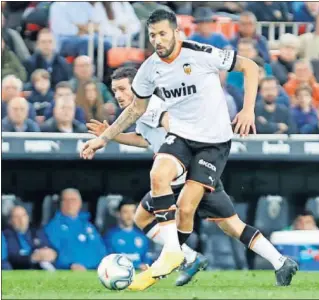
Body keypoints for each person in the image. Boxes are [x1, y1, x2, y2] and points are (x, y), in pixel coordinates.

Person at [81, 8, 259, 282]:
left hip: (211, 141)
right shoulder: (148, 70)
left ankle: (181, 253)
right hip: (182, 138)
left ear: (176, 32)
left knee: (211, 217)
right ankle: (175, 252)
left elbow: (250, 66)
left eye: (163, 33)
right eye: (153, 35)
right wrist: (104, 139)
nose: (158, 40)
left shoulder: (200, 53)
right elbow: (133, 112)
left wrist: (247, 110)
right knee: (157, 177)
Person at [86, 66, 298, 290]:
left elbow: (172, 127)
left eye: (122, 89)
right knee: (231, 225)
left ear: (137, 86)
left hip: (183, 171)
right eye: (114, 90)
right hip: (191, 170)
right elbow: (144, 139)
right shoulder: (141, 112)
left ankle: (180, 257)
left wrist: (177, 155)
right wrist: (113, 135)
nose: (117, 95)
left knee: (151, 212)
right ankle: (281, 262)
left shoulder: (151, 105)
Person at [44, 188, 107, 270]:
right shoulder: (53, 227)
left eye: (73, 200)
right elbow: (53, 254)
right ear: (60, 203)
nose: (70, 203)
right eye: (65, 200)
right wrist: (70, 265)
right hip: (70, 273)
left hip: (95, 272)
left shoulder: (89, 226)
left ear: (80, 203)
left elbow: (101, 250)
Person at [104, 199, 152, 271]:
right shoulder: (110, 236)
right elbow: (108, 260)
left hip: (138, 277)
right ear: (118, 214)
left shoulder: (142, 237)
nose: (129, 215)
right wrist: (136, 266)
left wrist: (146, 265)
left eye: (132, 212)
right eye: (125, 212)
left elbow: (147, 260)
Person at [3, 206, 56, 270]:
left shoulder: (36, 231)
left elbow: (48, 246)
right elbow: (12, 257)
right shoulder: (7, 234)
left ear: (28, 217)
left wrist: (53, 253)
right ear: (10, 220)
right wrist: (32, 258)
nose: (21, 220)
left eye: (23, 216)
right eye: (16, 217)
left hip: (41, 267)